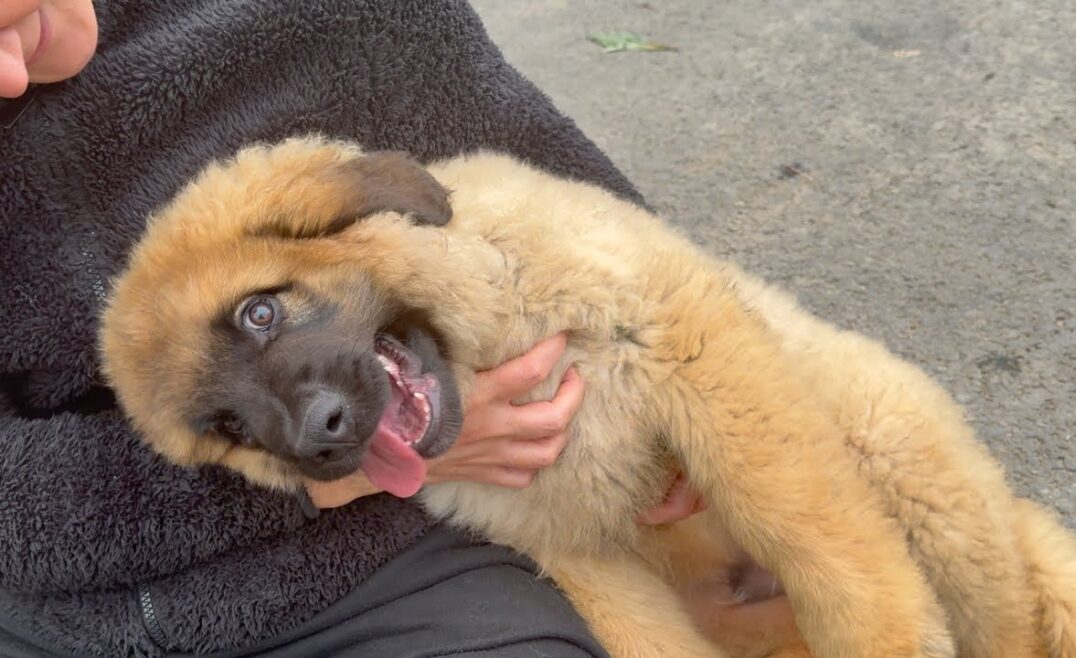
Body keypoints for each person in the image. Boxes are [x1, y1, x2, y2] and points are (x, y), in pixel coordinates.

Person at [0, 1, 704, 656]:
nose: (6, 74)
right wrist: (339, 471)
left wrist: (669, 387)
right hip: (62, 629)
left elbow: (528, 146)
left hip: (384, 569)